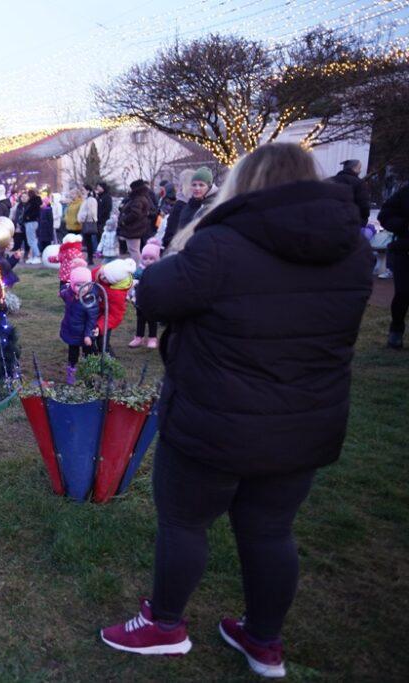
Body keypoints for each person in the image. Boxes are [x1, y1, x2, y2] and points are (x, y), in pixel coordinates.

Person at [100, 143, 373, 678]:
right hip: (302, 423)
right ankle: (263, 640)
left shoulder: (221, 245)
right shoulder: (352, 251)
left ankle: (166, 624)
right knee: (271, 530)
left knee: (184, 520)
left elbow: (154, 296)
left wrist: (175, 259)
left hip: (214, 419)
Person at [378, 182, 409, 348]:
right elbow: (385, 216)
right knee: (403, 293)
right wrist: (404, 225)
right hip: (405, 250)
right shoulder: (405, 192)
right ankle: (396, 331)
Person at [60, 265, 99, 385]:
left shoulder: (90, 299)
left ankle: (89, 374)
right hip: (72, 331)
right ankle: (71, 372)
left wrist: (88, 335)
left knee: (89, 354)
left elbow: (91, 320)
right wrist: (62, 292)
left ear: (90, 284)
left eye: (84, 285)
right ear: (72, 285)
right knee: (73, 354)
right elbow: (63, 292)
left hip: (85, 334)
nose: (81, 288)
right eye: (77, 285)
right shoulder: (70, 293)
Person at [90, 257, 134, 355]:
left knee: (102, 342)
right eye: (103, 273)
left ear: (114, 282)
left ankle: (108, 362)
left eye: (106, 278)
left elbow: (114, 315)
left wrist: (100, 326)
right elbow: (87, 280)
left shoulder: (117, 295)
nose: (102, 277)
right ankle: (91, 358)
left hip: (105, 317)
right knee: (88, 338)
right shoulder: (100, 272)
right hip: (92, 311)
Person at [163, 168, 216, 249]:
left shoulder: (211, 204)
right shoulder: (189, 204)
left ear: (209, 186)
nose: (197, 188)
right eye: (194, 185)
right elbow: (176, 230)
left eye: (201, 185)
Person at [129, 241, 162, 349]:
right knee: (140, 319)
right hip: (140, 300)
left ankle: (152, 338)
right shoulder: (139, 271)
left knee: (152, 320)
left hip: (152, 300)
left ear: (157, 258)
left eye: (151, 258)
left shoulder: (159, 271)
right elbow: (133, 281)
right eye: (145, 258)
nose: (147, 261)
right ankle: (139, 337)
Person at [119, 181, 154, 263]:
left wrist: (124, 221)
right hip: (136, 227)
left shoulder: (138, 199)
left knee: (134, 250)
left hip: (133, 228)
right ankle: (137, 268)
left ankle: (137, 270)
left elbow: (135, 214)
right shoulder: (141, 198)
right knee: (134, 250)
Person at [329, 159, 371, 224]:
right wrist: (363, 220)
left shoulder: (329, 180)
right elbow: (364, 206)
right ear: (354, 168)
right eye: (359, 168)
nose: (360, 171)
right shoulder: (359, 183)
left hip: (330, 221)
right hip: (351, 223)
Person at [77, 187, 99, 264]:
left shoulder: (90, 200)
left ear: (88, 190)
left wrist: (83, 217)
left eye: (83, 190)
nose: (82, 191)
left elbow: (91, 212)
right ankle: (89, 258)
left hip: (88, 222)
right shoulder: (87, 199)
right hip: (86, 222)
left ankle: (90, 259)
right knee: (87, 241)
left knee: (89, 241)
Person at [22, 190, 43, 263]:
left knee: (31, 240)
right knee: (33, 240)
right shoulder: (33, 202)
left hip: (31, 222)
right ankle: (34, 256)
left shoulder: (33, 203)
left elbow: (34, 213)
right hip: (32, 222)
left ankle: (37, 255)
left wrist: (27, 217)